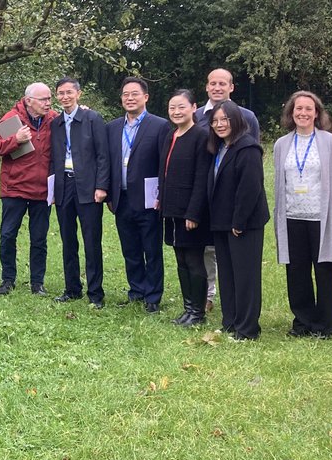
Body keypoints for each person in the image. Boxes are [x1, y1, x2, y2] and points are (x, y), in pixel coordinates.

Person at [272, 91, 332, 338]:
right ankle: (303, 321)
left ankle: (325, 325)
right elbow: (279, 180)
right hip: (292, 216)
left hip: (322, 217)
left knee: (325, 271)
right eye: (298, 109)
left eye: (308, 109)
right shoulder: (281, 144)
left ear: (317, 113)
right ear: (291, 113)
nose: (303, 113)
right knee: (297, 272)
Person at [194, 67, 261, 312]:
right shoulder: (197, 115)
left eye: (222, 83)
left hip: (235, 198)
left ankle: (240, 312)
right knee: (209, 249)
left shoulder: (247, 117)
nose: (217, 87)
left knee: (237, 258)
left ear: (231, 87)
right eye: (212, 83)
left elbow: (249, 162)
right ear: (206, 86)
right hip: (209, 194)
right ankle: (209, 296)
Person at [205, 101, 269, 340]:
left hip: (243, 224)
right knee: (228, 276)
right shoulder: (220, 147)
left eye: (225, 119)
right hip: (221, 222)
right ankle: (230, 321)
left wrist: (239, 222)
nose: (220, 125)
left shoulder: (248, 148)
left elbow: (250, 189)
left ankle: (247, 328)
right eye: (215, 121)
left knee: (245, 277)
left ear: (237, 121)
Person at [106, 77, 169, 312]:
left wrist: (162, 194)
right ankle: (136, 291)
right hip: (121, 199)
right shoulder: (112, 127)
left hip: (148, 198)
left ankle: (153, 297)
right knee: (130, 249)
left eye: (134, 94)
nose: (129, 98)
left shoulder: (159, 125)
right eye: (125, 94)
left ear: (146, 97)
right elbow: (107, 161)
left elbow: (164, 164)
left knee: (151, 249)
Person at [0, 82, 57, 296]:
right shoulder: (10, 119)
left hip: (42, 190)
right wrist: (15, 140)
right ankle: (8, 280)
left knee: (39, 238)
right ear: (28, 101)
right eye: (43, 99)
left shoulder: (54, 119)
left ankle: (38, 283)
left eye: (49, 99)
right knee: (8, 235)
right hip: (14, 189)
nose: (48, 103)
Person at [49, 78, 110, 305]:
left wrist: (101, 186)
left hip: (88, 186)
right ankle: (72, 288)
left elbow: (103, 155)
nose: (65, 97)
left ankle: (96, 293)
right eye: (60, 93)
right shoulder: (55, 123)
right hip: (64, 186)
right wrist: (52, 190)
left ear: (78, 94)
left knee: (91, 240)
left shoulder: (92, 118)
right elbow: (51, 158)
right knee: (68, 240)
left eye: (69, 92)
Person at [159, 89, 211, 326]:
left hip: (190, 212)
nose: (176, 112)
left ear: (193, 108)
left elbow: (202, 177)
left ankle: (198, 313)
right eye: (172, 108)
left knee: (194, 260)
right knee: (180, 260)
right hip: (171, 209)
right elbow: (165, 171)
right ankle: (188, 309)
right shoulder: (172, 135)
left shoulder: (201, 136)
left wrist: (194, 212)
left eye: (181, 107)